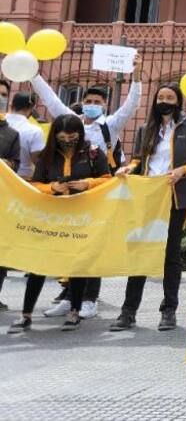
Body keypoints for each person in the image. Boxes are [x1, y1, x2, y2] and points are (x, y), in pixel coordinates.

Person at [111, 83, 186, 332]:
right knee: (140, 251)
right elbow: (138, 159)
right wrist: (128, 168)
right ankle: (128, 311)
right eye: (161, 96)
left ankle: (169, 310)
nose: (164, 100)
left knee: (170, 254)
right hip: (148, 196)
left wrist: (182, 171)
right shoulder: (146, 129)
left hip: (176, 197)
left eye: (170, 97)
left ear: (178, 101)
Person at [8, 115, 111, 333]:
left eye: (72, 137)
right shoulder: (47, 156)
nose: (68, 141)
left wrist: (87, 183)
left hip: (81, 218)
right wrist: (52, 188)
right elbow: (35, 184)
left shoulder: (93, 152)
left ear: (80, 135)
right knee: (39, 265)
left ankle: (75, 312)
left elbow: (107, 179)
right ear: (55, 135)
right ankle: (26, 314)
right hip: (51, 217)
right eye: (63, 137)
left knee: (77, 265)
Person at [30, 54, 142, 171]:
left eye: (97, 102)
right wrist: (34, 76)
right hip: (73, 179)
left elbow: (131, 105)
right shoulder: (73, 121)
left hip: (101, 180)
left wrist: (136, 77)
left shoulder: (111, 125)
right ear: (83, 103)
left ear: (105, 105)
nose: (92, 104)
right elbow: (52, 101)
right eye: (88, 101)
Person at [0, 80, 22, 311]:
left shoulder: (11, 133)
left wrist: (5, 163)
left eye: (4, 94)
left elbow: (16, 164)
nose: (1, 98)